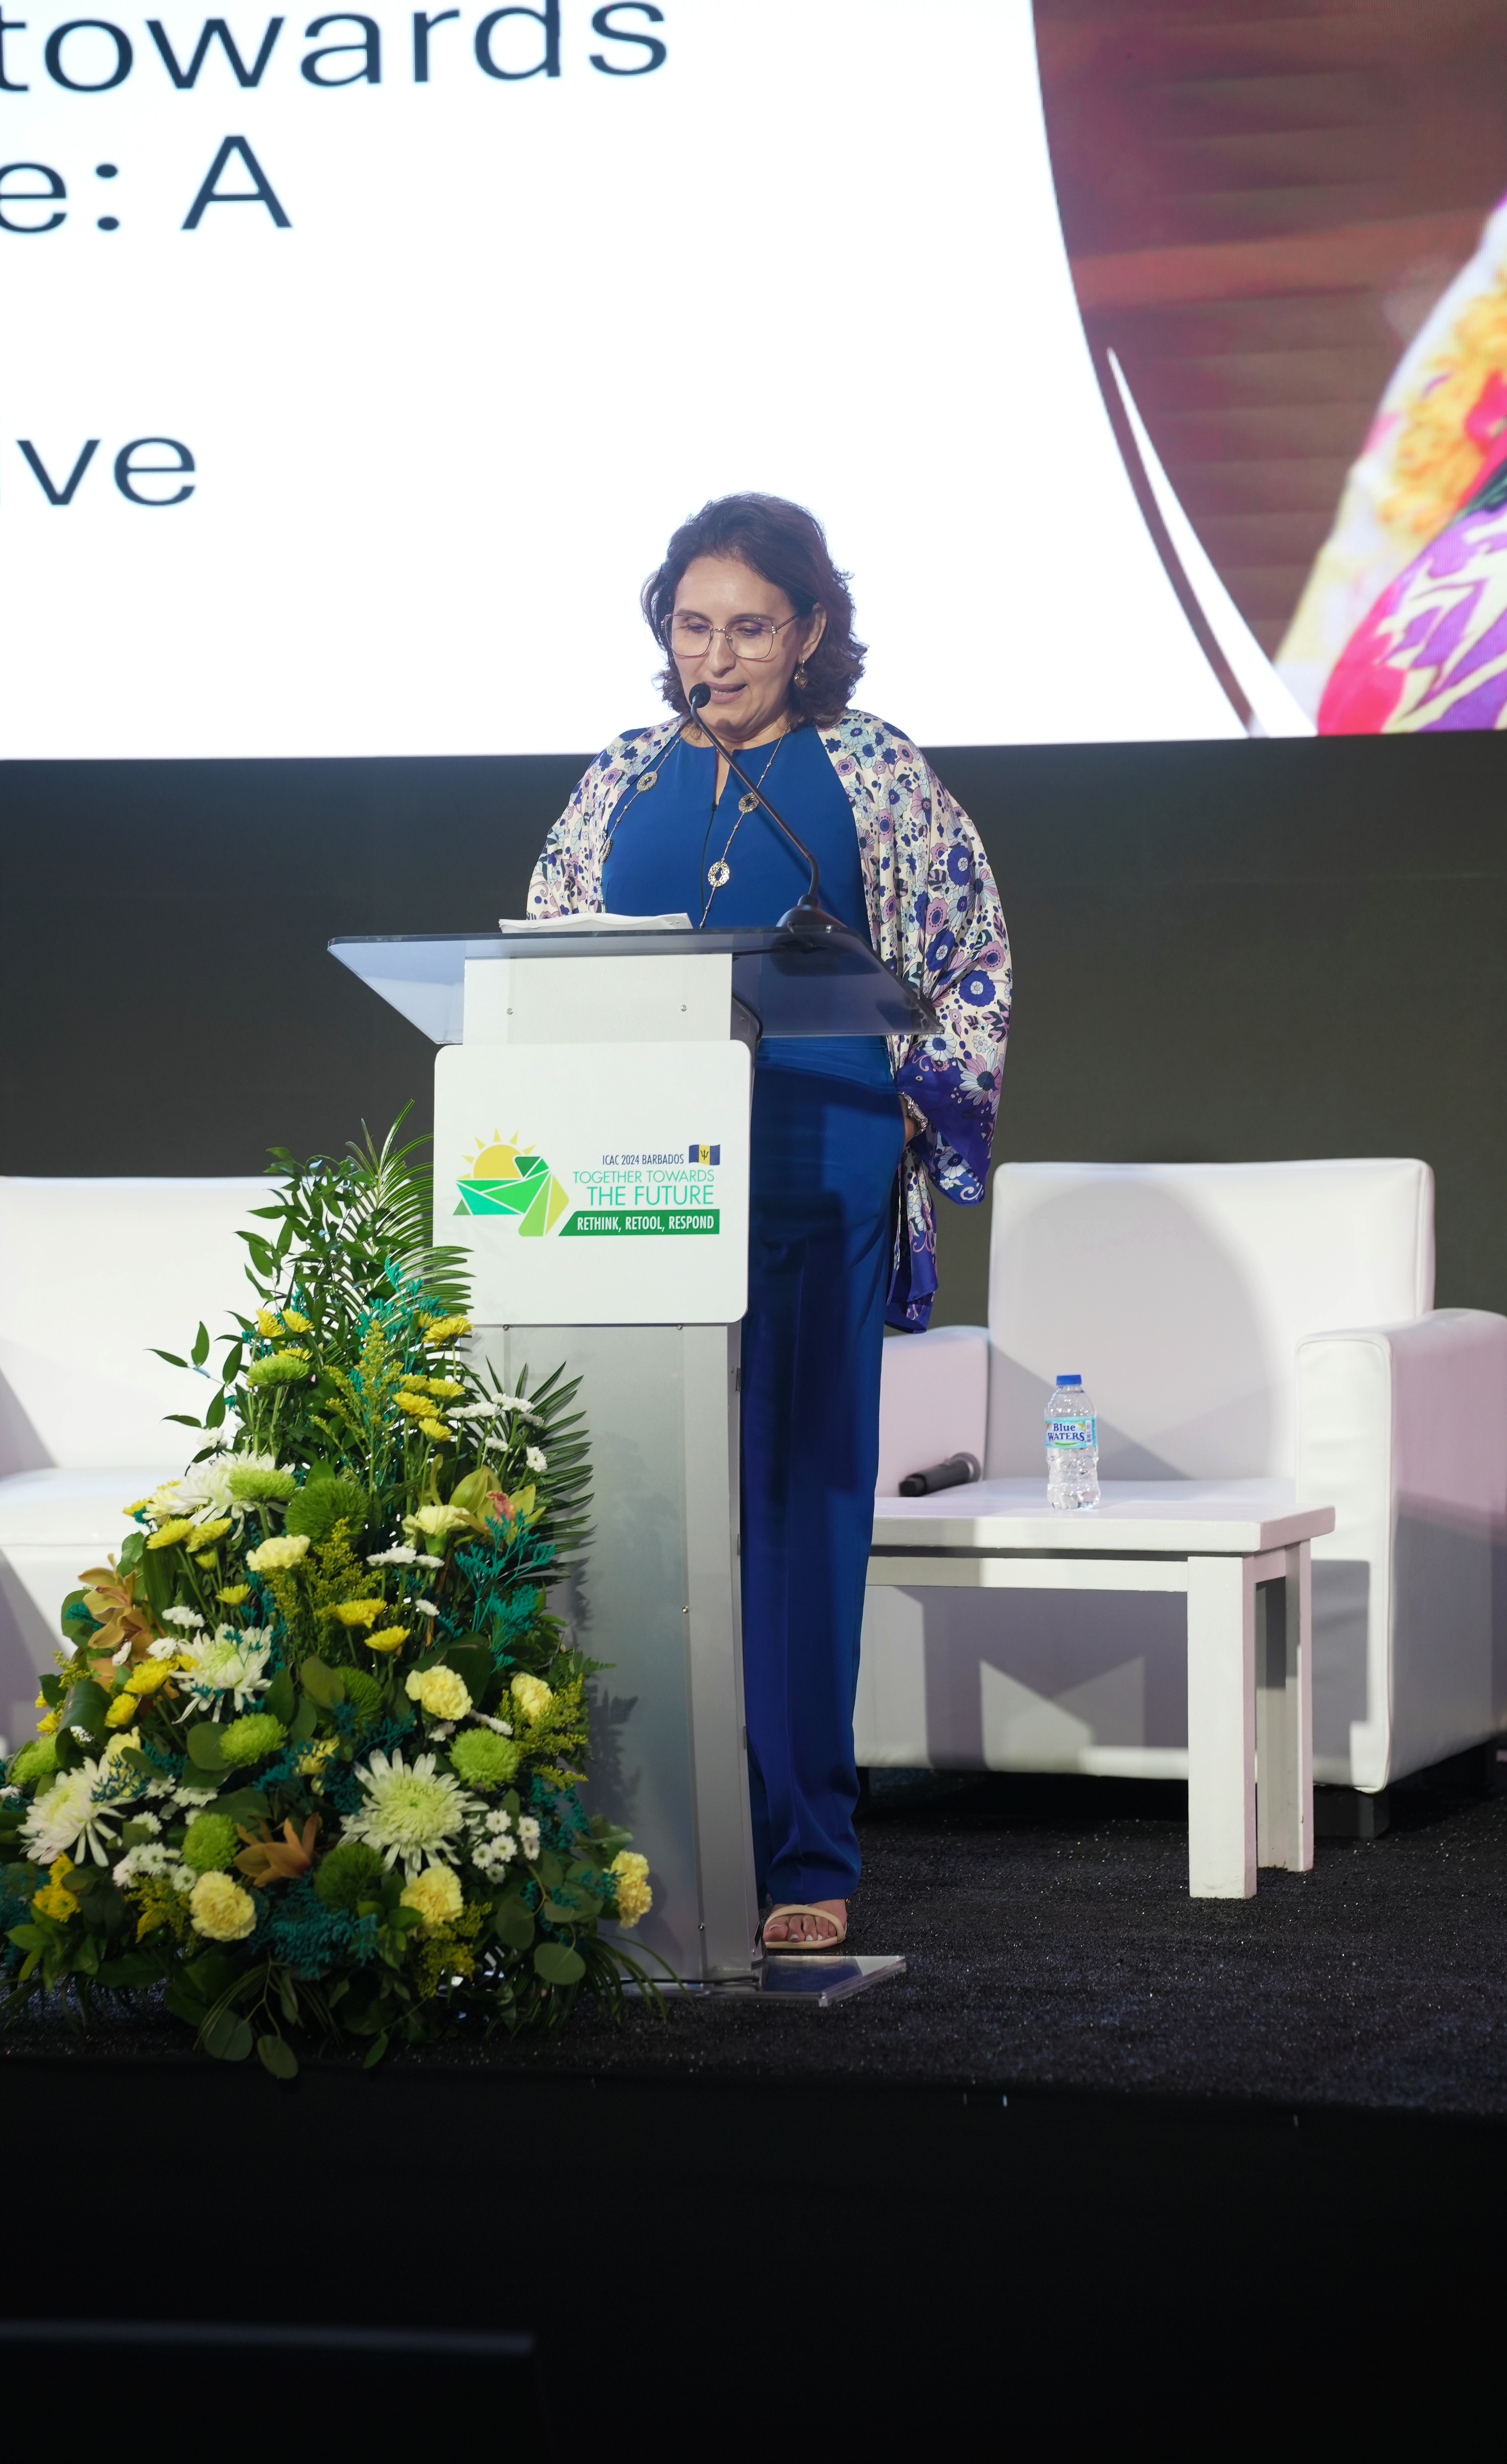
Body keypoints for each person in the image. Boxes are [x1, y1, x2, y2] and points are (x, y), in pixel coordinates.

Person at [528, 494, 1010, 1950]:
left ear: (808, 633)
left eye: (748, 628)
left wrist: (914, 1108)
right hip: (627, 1176)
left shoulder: (870, 771)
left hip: (813, 1161)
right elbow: (542, 955)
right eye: (693, 627)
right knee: (633, 1500)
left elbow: (967, 963)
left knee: (799, 1506)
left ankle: (804, 1855)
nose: (717, 657)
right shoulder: (621, 777)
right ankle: (640, 1842)